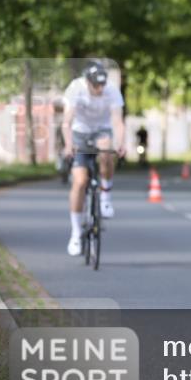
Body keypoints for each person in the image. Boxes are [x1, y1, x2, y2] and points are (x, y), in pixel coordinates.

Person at [62, 61, 126, 256]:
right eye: (95, 85)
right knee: (80, 181)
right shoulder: (76, 89)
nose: (99, 89)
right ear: (87, 82)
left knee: (106, 151)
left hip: (102, 129)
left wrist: (120, 143)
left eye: (102, 85)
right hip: (79, 132)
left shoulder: (112, 91)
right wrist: (68, 145)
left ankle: (105, 196)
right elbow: (67, 122)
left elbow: (117, 121)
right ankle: (76, 233)